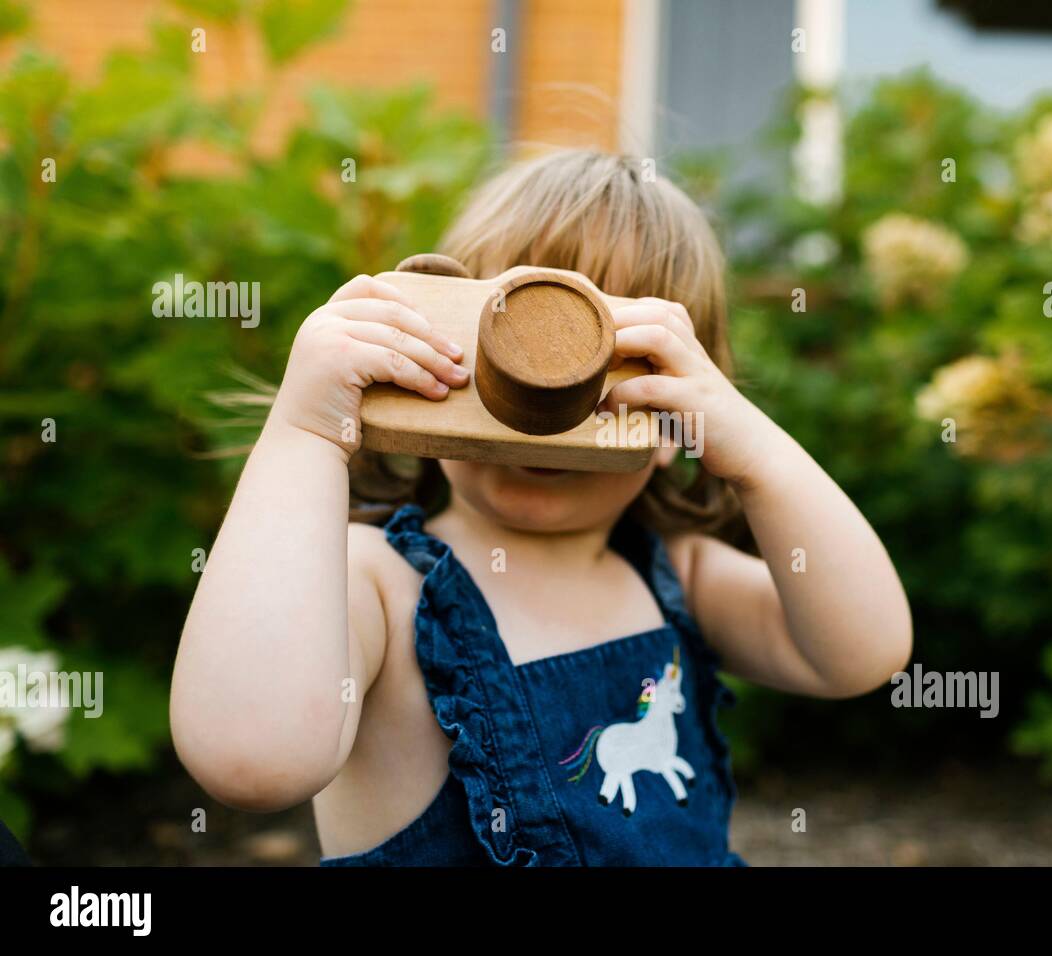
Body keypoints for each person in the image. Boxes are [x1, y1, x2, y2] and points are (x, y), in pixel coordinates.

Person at [170, 150, 912, 865]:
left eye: (608, 358)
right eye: (512, 344)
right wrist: (304, 435)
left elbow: (862, 652)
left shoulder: (680, 578)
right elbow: (248, 756)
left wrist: (757, 452)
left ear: (683, 406)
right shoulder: (380, 589)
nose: (547, 406)